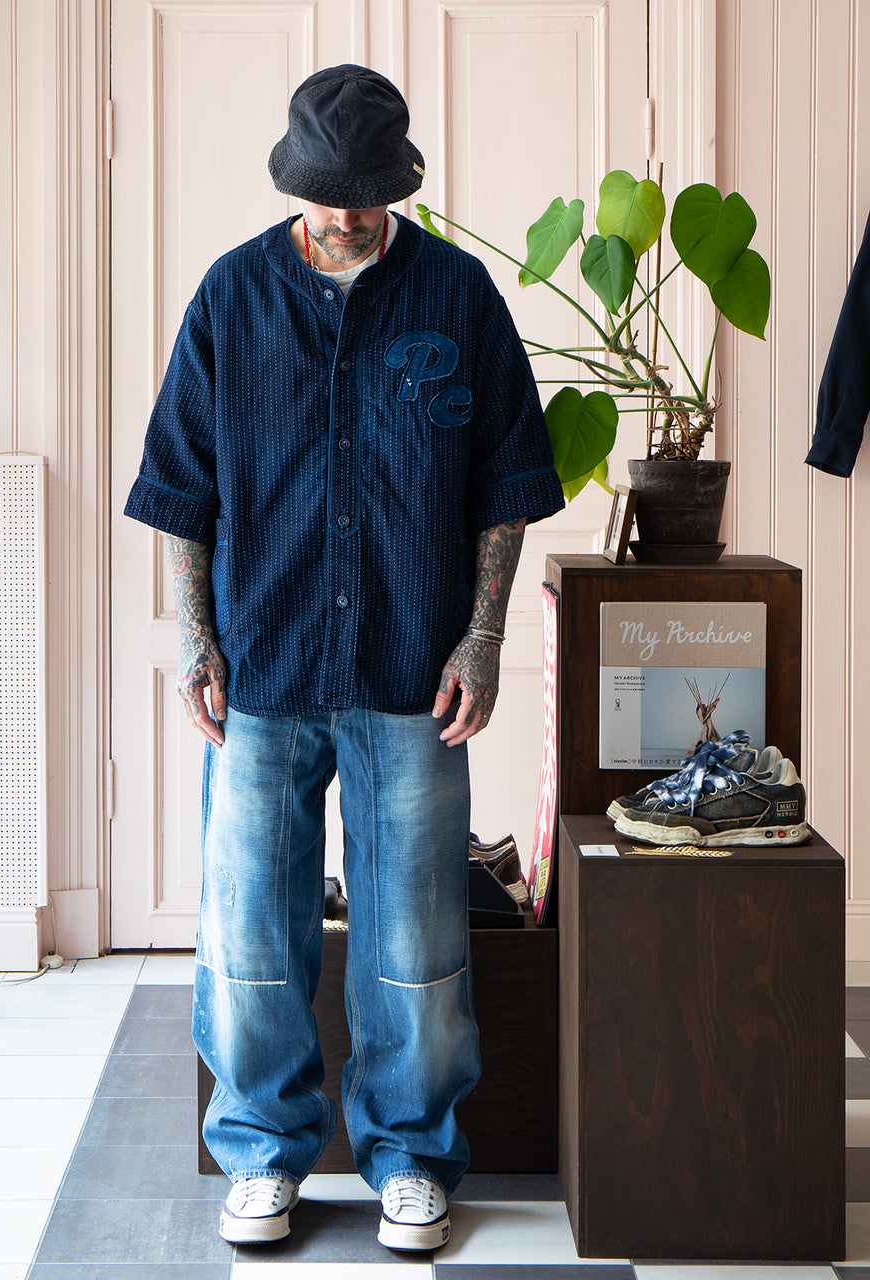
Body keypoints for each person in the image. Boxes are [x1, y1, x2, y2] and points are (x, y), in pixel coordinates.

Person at [124, 63, 564, 1252]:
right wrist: (194, 636)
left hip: (410, 668)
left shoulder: (457, 295)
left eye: (367, 195)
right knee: (250, 936)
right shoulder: (229, 297)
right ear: (293, 182)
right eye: (327, 195)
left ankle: (410, 1154)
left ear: (397, 184)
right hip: (260, 665)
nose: (346, 215)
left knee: (413, 938)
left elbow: (506, 483)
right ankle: (263, 1152)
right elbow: (182, 489)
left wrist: (482, 633)